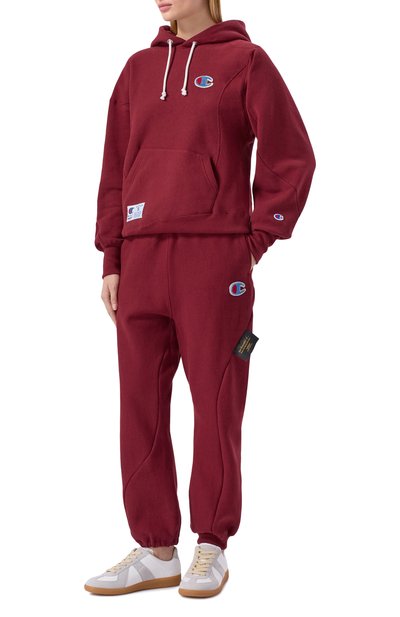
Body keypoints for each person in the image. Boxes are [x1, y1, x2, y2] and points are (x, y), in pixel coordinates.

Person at [84, 0, 316, 599]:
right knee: (139, 404)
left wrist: (255, 239)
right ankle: (156, 549)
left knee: (218, 399)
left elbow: (293, 155)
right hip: (140, 258)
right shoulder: (138, 69)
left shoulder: (246, 61)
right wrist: (112, 257)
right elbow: (114, 169)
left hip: (214, 264)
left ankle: (211, 543)